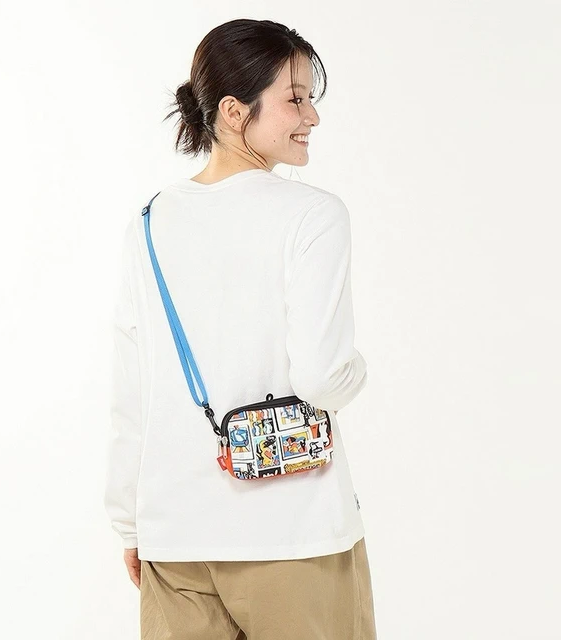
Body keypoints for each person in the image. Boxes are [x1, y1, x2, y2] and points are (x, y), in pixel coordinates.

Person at [104, 18, 377, 640]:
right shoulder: (313, 215)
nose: (312, 117)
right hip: (295, 533)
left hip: (177, 539)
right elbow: (323, 376)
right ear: (233, 111)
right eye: (295, 99)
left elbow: (130, 389)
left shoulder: (149, 222)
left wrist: (130, 524)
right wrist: (358, 370)